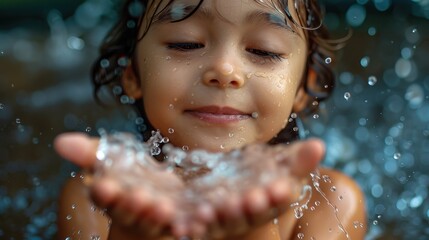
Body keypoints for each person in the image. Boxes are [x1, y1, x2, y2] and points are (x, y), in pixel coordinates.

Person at [54, 0, 367, 239]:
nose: (224, 71)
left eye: (264, 50)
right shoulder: (96, 194)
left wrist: (252, 232)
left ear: (304, 88)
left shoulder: (332, 202)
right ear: (133, 75)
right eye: (185, 44)